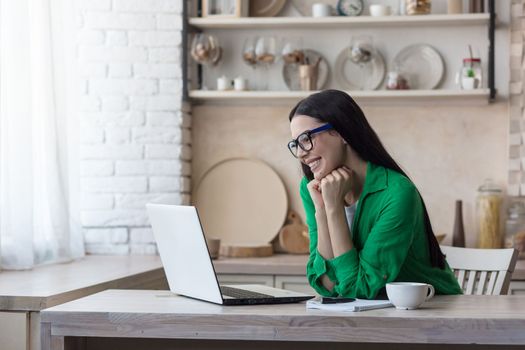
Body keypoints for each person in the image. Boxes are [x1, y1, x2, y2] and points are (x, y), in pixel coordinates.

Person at [287, 90, 462, 299]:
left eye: (306, 138)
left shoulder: (397, 193)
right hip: (375, 315)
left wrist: (333, 208)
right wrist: (322, 210)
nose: (300, 153)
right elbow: (326, 285)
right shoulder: (313, 188)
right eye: (295, 144)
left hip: (433, 312)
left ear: (341, 131)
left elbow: (360, 288)